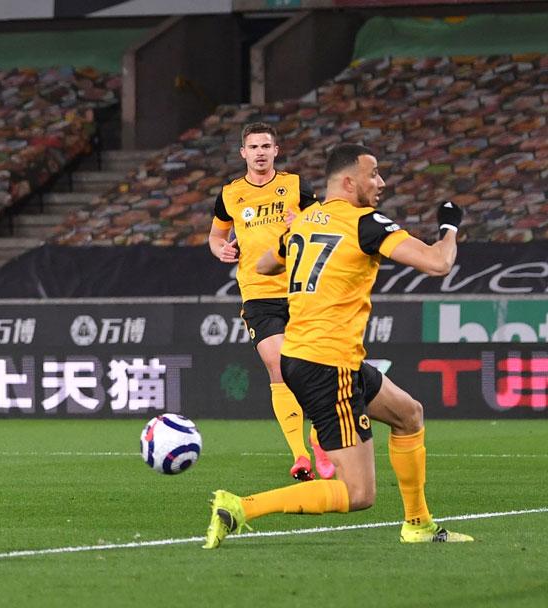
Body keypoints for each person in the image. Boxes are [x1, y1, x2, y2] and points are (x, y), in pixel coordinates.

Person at [202, 143, 473, 548]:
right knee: (359, 494)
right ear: (349, 182)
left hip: (314, 354)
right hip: (328, 364)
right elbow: (438, 263)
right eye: (374, 173)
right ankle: (240, 506)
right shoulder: (366, 223)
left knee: (409, 415)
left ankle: (418, 523)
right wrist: (450, 226)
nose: (380, 182)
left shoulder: (305, 221)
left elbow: (263, 265)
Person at [209, 122, 334, 481]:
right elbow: (216, 236)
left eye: (266, 146)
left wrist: (308, 221)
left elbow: (327, 223)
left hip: (301, 289)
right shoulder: (231, 194)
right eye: (254, 147)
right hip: (258, 292)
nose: (260, 152)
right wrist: (222, 249)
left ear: (276, 151)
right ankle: (300, 456)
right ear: (243, 153)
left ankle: (321, 440)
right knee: (278, 365)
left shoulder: (296, 186)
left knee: (311, 369)